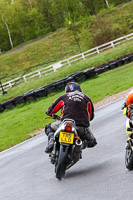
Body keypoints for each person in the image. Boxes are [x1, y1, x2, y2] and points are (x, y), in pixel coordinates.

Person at [45, 82, 97, 153]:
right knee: (92, 142)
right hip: (82, 127)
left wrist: (49, 113)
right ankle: (81, 144)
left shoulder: (64, 97)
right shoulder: (87, 98)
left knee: (49, 127)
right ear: (79, 89)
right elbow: (90, 116)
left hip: (65, 123)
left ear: (67, 90)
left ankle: (51, 142)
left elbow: (51, 111)